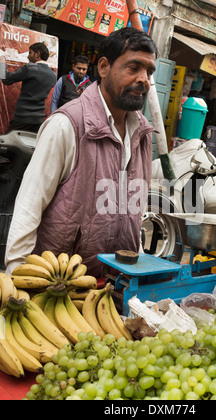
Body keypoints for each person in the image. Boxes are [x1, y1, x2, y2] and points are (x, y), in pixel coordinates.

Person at [5, 27, 158, 277]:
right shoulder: (67, 124)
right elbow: (29, 206)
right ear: (104, 67)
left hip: (116, 286)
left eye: (149, 71)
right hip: (61, 284)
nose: (144, 79)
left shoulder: (142, 134)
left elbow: (134, 210)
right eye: (134, 68)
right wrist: (17, 275)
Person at [1, 42, 57, 133]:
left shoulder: (30, 68)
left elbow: (6, 79)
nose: (28, 56)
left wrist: (2, 62)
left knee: (9, 145)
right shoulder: (53, 74)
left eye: (30, 53)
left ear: (37, 54)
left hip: (23, 118)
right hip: (38, 121)